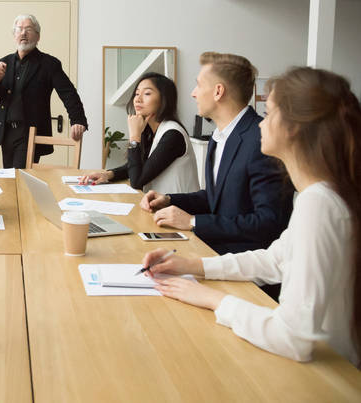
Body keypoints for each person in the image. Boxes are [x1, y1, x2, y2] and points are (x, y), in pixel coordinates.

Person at [142, 67, 361, 366]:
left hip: (332, 377)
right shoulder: (322, 195)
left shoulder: (318, 203)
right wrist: (190, 265)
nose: (260, 123)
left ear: (292, 128)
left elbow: (293, 338)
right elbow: (274, 260)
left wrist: (210, 298)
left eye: (268, 113)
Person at [140, 52, 293, 256]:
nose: (193, 93)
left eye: (199, 85)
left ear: (218, 91)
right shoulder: (218, 137)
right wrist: (169, 200)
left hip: (246, 266)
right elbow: (217, 198)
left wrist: (193, 222)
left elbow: (268, 222)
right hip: (214, 252)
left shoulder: (261, 140)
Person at [0, 14, 88, 168]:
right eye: (19, 30)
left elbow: (68, 93)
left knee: (20, 177)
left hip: (30, 132)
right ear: (14, 36)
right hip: (5, 133)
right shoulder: (4, 62)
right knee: (10, 178)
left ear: (38, 36)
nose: (23, 33)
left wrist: (77, 120)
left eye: (28, 29)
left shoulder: (49, 64)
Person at [79, 72, 199, 194]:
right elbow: (140, 166)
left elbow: (137, 181)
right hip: (161, 208)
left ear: (164, 99)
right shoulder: (152, 132)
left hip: (180, 211)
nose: (138, 99)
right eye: (137, 94)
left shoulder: (173, 135)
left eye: (147, 93)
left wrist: (134, 136)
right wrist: (109, 174)